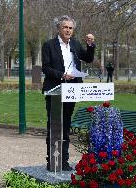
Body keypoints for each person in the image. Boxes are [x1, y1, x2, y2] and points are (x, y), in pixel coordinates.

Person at [42, 15, 95, 171]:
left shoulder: (76, 45)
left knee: (66, 126)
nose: (68, 30)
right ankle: (52, 160)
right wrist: (62, 75)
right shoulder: (49, 45)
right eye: (65, 27)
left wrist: (90, 45)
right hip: (55, 90)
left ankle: (64, 161)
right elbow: (45, 68)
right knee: (54, 126)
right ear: (59, 28)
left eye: (70, 28)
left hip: (72, 90)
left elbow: (88, 59)